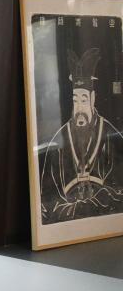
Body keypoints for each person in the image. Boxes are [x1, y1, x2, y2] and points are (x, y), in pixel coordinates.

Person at [39, 47, 123, 223]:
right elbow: (46, 200)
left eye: (84, 100)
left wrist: (91, 205)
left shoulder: (110, 136)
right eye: (75, 100)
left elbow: (119, 192)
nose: (79, 108)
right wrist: (72, 210)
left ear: (93, 99)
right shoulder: (58, 142)